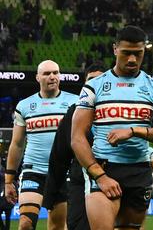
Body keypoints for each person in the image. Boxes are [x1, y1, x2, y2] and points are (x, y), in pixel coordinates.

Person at [71, 25, 153, 230]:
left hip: (139, 171)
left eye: (138, 54)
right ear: (115, 49)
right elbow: (77, 137)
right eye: (126, 53)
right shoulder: (94, 86)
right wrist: (100, 176)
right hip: (104, 167)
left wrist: (134, 131)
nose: (132, 59)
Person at [4, 60, 77, 230]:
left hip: (63, 172)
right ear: (37, 77)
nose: (52, 76)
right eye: (46, 73)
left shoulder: (75, 102)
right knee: (25, 224)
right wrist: (9, 180)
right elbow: (16, 144)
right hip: (33, 171)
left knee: (57, 227)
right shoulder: (24, 106)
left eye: (55, 72)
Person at [42, 64, 107, 230]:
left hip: (114, 176)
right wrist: (51, 195)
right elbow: (59, 156)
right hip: (80, 180)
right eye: (91, 80)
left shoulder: (119, 111)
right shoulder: (74, 112)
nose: (96, 84)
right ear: (85, 85)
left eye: (101, 79)